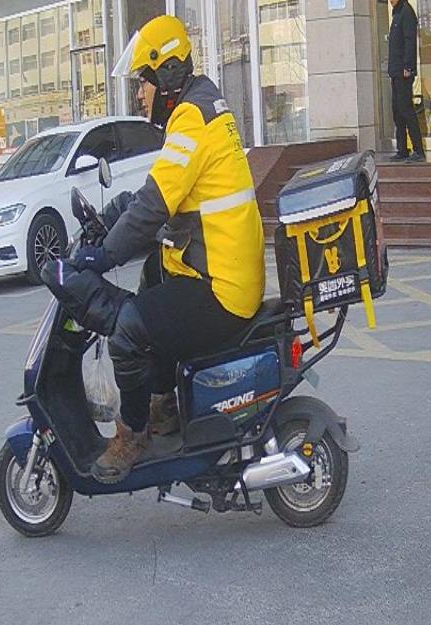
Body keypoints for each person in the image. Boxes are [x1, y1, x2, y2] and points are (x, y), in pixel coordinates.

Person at [72, 14, 266, 483]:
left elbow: (156, 203)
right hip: (222, 268)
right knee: (153, 277)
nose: (140, 94)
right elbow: (162, 191)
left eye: (144, 82)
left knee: (127, 330)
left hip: (221, 287)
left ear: (168, 73)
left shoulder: (192, 117)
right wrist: (114, 213)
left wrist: (105, 255)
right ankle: (164, 408)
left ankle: (133, 435)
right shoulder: (201, 106)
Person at [388, 0, 425, 163]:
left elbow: (410, 41)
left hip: (404, 72)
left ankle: (418, 150)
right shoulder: (396, 13)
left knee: (406, 109)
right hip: (395, 71)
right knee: (397, 111)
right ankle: (402, 149)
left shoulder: (406, 12)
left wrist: (408, 66)